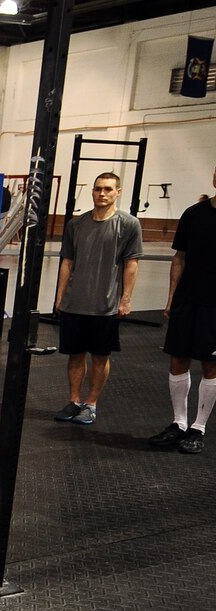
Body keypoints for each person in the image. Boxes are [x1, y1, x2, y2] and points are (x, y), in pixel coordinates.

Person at [52, 172, 143, 425]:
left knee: (100, 357)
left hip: (106, 305)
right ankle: (73, 401)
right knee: (75, 355)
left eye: (107, 189)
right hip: (75, 303)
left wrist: (125, 299)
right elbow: (67, 262)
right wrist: (60, 297)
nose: (101, 194)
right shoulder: (76, 224)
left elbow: (131, 264)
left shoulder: (128, 224)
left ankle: (91, 403)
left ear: (118, 192)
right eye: (97, 189)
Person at [148, 166, 216, 454]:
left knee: (211, 366)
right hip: (187, 300)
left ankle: (198, 428)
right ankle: (178, 423)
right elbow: (179, 258)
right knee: (178, 360)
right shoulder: (194, 214)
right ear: (214, 178)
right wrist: (171, 298)